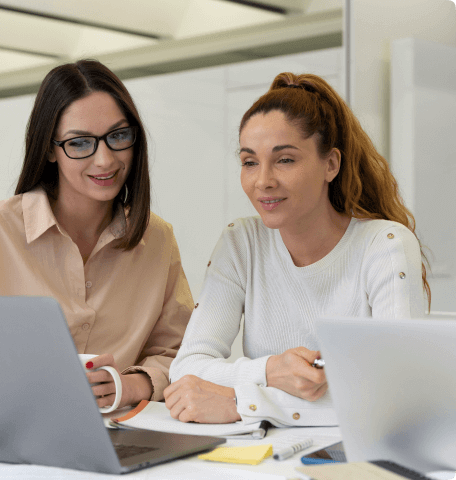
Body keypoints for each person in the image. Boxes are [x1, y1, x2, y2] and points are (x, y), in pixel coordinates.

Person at [165, 72, 430, 427]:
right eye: (249, 162)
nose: (263, 181)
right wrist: (271, 370)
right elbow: (186, 369)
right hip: (265, 454)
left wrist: (243, 403)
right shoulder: (241, 242)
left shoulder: (385, 246)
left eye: (285, 160)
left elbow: (397, 394)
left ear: (330, 164)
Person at [0, 60, 193, 409]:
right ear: (49, 149)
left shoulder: (157, 239)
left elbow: (181, 352)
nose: (105, 160)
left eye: (118, 136)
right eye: (80, 143)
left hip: (123, 428)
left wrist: (134, 384)